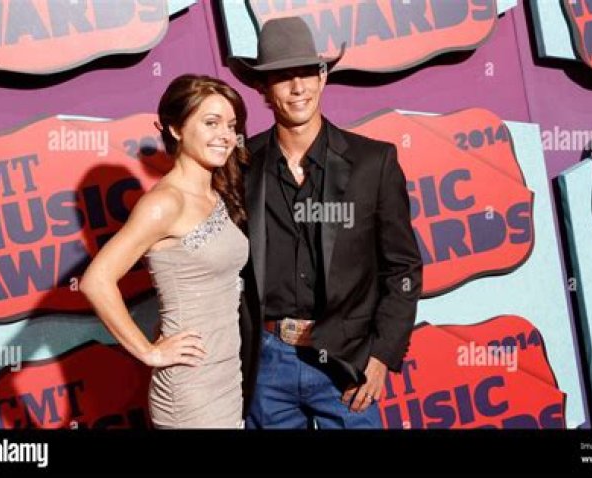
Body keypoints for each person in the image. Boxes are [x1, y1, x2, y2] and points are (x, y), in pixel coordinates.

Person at [229, 16, 422, 429]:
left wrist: (382, 356)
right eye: (283, 77)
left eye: (306, 72)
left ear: (322, 78)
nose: (298, 87)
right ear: (262, 88)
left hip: (346, 361)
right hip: (267, 365)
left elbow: (403, 269)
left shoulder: (374, 162)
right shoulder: (241, 167)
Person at [80, 75, 249, 428]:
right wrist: (149, 351)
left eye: (231, 125)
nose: (225, 135)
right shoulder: (164, 203)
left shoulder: (215, 193)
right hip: (191, 385)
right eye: (211, 123)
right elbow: (96, 281)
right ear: (175, 129)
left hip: (226, 376)